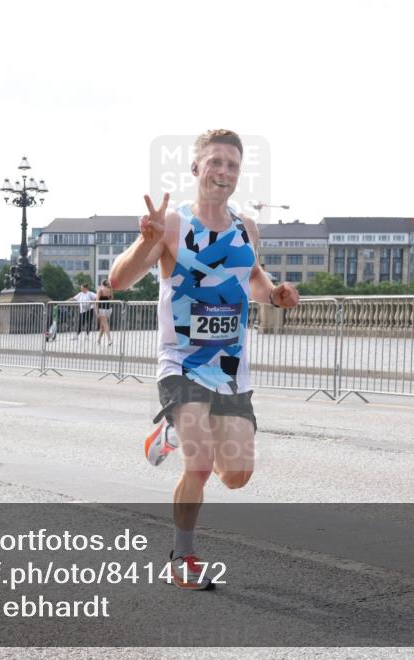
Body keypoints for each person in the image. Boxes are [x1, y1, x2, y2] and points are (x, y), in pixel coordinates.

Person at [109, 129, 299, 591]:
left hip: (230, 368)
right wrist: (146, 241)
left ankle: (171, 432)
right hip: (182, 363)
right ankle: (183, 556)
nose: (224, 172)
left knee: (236, 475)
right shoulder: (173, 225)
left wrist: (273, 294)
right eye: (215, 162)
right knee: (198, 466)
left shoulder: (245, 228)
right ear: (196, 169)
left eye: (232, 165)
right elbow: (118, 281)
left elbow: (250, 274)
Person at [95, 279, 114, 346]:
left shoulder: (100, 289)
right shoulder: (110, 290)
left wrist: (96, 310)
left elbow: (97, 300)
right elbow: (111, 299)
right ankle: (99, 340)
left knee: (105, 324)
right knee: (103, 325)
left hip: (102, 308)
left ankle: (109, 339)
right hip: (109, 308)